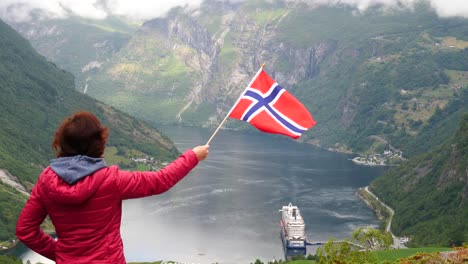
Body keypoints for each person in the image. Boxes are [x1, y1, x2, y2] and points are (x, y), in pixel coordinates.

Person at [16, 111, 209, 263]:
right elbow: (160, 181)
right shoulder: (110, 180)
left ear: (62, 143)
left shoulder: (46, 180)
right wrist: (192, 156)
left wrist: (61, 254)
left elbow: (25, 230)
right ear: (99, 143)